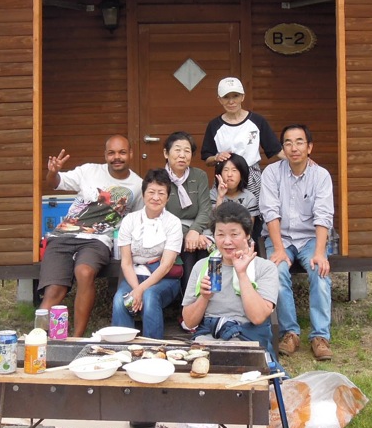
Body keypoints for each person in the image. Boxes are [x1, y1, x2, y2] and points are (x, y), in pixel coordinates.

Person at [38, 135, 142, 338]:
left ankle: (76, 338)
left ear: (130, 154)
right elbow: (55, 183)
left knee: (84, 272)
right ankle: (38, 338)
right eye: (111, 153)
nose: (116, 157)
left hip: (98, 239)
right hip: (63, 235)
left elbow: (137, 219)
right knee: (54, 290)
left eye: (122, 152)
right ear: (105, 155)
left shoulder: (138, 185)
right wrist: (53, 172)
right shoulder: (89, 170)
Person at [259, 124, 335, 361]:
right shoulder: (271, 173)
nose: (294, 148)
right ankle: (290, 332)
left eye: (300, 142)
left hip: (311, 238)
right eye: (288, 143)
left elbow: (323, 215)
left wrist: (320, 253)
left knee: (319, 272)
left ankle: (320, 336)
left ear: (309, 147)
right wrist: (279, 249)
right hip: (279, 237)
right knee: (276, 271)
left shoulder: (320, 176)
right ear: (283, 148)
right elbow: (269, 212)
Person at [181, 201, 279, 360]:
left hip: (247, 339)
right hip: (208, 338)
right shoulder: (202, 267)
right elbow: (189, 321)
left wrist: (242, 274)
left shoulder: (265, 268)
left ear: (247, 235)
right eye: (220, 234)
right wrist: (204, 297)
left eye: (234, 234)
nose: (227, 241)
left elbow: (258, 317)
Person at [110, 170, 184, 339]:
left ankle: (153, 348)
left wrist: (141, 290)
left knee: (150, 296)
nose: (156, 197)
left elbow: (166, 265)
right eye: (151, 192)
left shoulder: (173, 223)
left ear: (168, 197)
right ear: (143, 195)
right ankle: (123, 348)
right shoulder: (130, 220)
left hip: (164, 279)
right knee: (121, 300)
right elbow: (126, 263)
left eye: (161, 193)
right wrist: (136, 289)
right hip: (134, 277)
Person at [201, 77, 282, 199]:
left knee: (254, 213)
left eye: (235, 96)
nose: (231, 101)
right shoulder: (214, 125)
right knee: (222, 214)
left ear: (242, 97)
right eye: (226, 97)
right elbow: (207, 159)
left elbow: (276, 150)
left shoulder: (257, 121)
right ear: (219, 100)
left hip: (251, 177)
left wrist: (303, 161)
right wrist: (217, 157)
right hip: (225, 177)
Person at [162, 131, 214, 291]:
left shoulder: (199, 175)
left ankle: (206, 304)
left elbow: (206, 209)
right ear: (166, 153)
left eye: (187, 151)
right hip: (170, 229)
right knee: (188, 250)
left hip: (199, 229)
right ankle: (188, 305)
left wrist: (195, 231)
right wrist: (188, 233)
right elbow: (159, 214)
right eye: (177, 150)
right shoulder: (159, 177)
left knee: (205, 248)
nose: (182, 155)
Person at [212, 153, 261, 245]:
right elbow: (214, 223)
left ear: (242, 174)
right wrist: (220, 197)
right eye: (225, 170)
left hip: (240, 239)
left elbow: (248, 228)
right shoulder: (213, 194)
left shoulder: (249, 197)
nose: (229, 174)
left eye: (234, 170)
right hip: (216, 238)